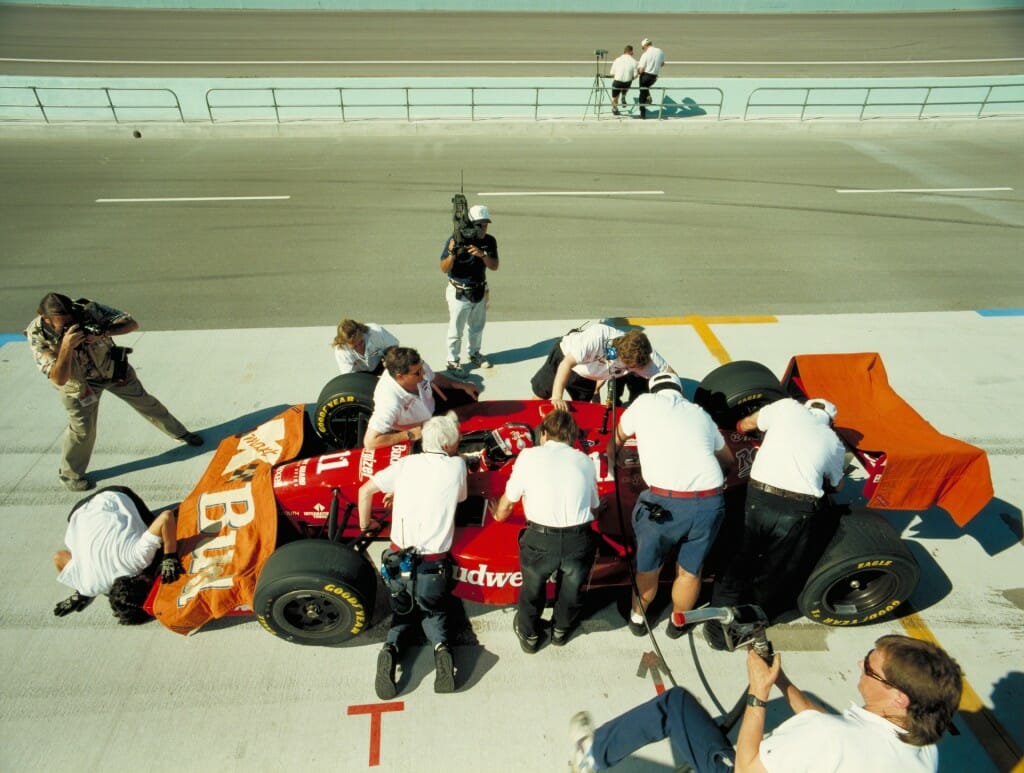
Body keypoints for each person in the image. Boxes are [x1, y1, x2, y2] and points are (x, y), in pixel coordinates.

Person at [569, 634, 963, 773]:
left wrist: (758, 693)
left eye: (871, 669)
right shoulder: (922, 747)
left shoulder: (828, 737)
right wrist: (783, 681)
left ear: (899, 695)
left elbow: (746, 768)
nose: (860, 665)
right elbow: (826, 724)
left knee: (674, 705)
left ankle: (591, 755)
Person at [26, 292, 203, 492]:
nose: (70, 326)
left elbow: (131, 324)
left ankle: (181, 433)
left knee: (147, 403)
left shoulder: (87, 309)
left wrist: (102, 333)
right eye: (62, 324)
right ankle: (70, 475)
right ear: (44, 317)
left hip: (112, 370)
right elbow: (58, 378)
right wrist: (66, 346)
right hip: (79, 384)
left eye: (71, 321)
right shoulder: (37, 334)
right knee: (82, 430)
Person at [709, 398, 846, 643]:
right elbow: (836, 485)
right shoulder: (834, 443)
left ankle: (718, 633)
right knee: (774, 573)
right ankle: (750, 623)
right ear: (831, 422)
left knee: (735, 564)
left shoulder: (786, 407)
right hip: (798, 511)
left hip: (758, 499)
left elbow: (745, 425)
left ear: (806, 406)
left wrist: (743, 429)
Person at [615, 372, 733, 638]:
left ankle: (638, 619)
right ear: (681, 392)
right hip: (709, 502)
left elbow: (618, 438)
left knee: (648, 568)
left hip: (664, 504)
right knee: (691, 571)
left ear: (653, 390)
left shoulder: (644, 403)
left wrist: (611, 459)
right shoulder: (700, 413)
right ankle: (678, 623)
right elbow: (727, 460)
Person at [358, 414, 467, 698]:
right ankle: (442, 650)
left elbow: (365, 490)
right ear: (447, 444)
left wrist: (365, 525)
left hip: (397, 562)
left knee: (402, 614)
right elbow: (461, 498)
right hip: (432, 567)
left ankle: (390, 650)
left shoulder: (406, 465)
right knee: (434, 611)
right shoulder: (456, 466)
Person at [494, 410, 599, 652]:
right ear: (572, 437)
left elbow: (508, 502)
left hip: (540, 541)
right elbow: (594, 506)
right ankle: (560, 631)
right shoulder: (584, 460)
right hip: (578, 540)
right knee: (572, 591)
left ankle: (530, 637)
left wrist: (498, 515)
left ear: (543, 435)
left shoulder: (528, 456)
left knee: (532, 590)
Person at [52, 486, 183, 623]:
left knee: (163, 536)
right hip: (77, 513)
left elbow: (166, 517)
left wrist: (170, 556)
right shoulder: (88, 586)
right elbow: (59, 557)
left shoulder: (136, 559)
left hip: (112, 496)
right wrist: (80, 587)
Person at [531, 324, 671, 411]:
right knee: (540, 396)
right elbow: (566, 364)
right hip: (563, 358)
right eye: (630, 368)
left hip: (589, 376)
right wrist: (557, 397)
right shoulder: (597, 337)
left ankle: (596, 389)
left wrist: (677, 403)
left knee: (580, 412)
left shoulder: (646, 356)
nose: (634, 371)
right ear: (618, 354)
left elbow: (670, 375)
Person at [363, 346, 479, 449]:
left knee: (470, 394)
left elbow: (434, 378)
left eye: (422, 367)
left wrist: (462, 385)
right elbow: (370, 442)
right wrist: (408, 434)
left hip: (431, 406)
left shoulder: (417, 366)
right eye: (418, 372)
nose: (423, 373)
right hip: (418, 427)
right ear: (400, 376)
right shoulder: (388, 401)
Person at [440, 203, 499, 374]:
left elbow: (494, 266)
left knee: (477, 327)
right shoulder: (456, 240)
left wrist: (482, 255)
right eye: (480, 224)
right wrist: (452, 253)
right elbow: (444, 268)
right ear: (471, 224)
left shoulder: (489, 241)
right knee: (456, 329)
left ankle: (474, 353)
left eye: (486, 224)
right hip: (460, 291)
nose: (484, 228)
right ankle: (452, 359)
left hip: (479, 289)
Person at [331, 318, 398, 375]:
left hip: (381, 364)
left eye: (361, 342)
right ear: (344, 343)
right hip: (360, 374)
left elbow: (393, 347)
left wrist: (389, 361)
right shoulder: (341, 351)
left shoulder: (377, 332)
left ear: (362, 332)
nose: (359, 347)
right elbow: (348, 376)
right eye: (355, 346)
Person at [636, 37, 665, 120]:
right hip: (654, 77)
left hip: (645, 76)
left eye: (642, 48)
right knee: (645, 88)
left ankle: (642, 114)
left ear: (645, 46)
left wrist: (637, 72)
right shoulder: (660, 51)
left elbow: (641, 70)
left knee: (642, 94)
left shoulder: (645, 54)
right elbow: (662, 64)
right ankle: (648, 95)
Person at [608, 45, 639, 116]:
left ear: (624, 51)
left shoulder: (617, 60)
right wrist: (631, 78)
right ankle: (624, 94)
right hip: (627, 82)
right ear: (631, 51)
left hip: (617, 81)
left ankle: (615, 109)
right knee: (627, 84)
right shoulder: (634, 61)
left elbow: (612, 73)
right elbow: (635, 75)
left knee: (615, 97)